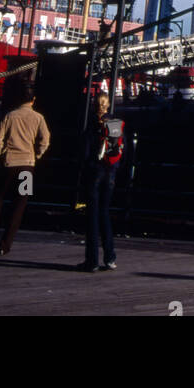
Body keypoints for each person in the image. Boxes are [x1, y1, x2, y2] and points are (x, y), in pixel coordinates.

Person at [0, 76, 50, 256]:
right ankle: (4, 245)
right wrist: (36, 156)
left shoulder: (10, 116)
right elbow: (45, 141)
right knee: (19, 206)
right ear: (33, 100)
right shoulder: (39, 118)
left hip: (7, 164)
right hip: (27, 167)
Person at [78, 93, 124, 272]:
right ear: (108, 105)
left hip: (94, 172)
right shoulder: (115, 124)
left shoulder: (92, 125)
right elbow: (120, 150)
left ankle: (92, 260)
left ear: (94, 105)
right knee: (105, 213)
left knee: (92, 216)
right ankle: (110, 257)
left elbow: (85, 152)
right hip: (110, 172)